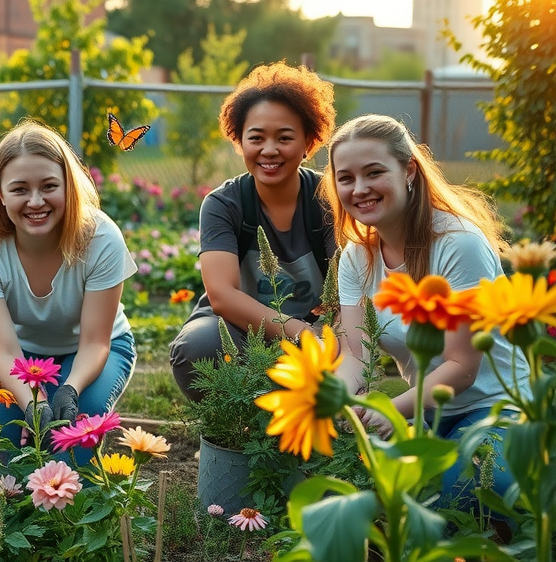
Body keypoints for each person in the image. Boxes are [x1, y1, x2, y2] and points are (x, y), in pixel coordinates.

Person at [323, 113, 527, 510]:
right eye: (345, 178)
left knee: (462, 494)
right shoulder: (356, 256)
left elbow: (462, 367)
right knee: (373, 495)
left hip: (494, 407)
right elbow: (354, 354)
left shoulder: (458, 245)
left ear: (409, 170)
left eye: (374, 172)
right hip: (428, 410)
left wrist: (391, 410)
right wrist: (334, 401)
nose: (359, 188)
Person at [0, 119, 137, 453]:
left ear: (68, 185)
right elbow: (4, 351)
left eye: (49, 186)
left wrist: (69, 390)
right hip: (19, 353)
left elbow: (95, 341)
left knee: (77, 435)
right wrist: (32, 402)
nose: (36, 201)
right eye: (20, 189)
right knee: (3, 444)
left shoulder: (101, 239)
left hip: (95, 350)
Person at [169, 62, 337, 402]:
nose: (269, 150)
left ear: (309, 141)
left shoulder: (328, 199)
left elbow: (346, 289)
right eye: (256, 138)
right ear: (239, 141)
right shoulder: (223, 204)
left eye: (285, 137)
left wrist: (320, 337)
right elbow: (222, 296)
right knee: (197, 347)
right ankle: (233, 428)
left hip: (320, 329)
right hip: (238, 327)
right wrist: (297, 332)